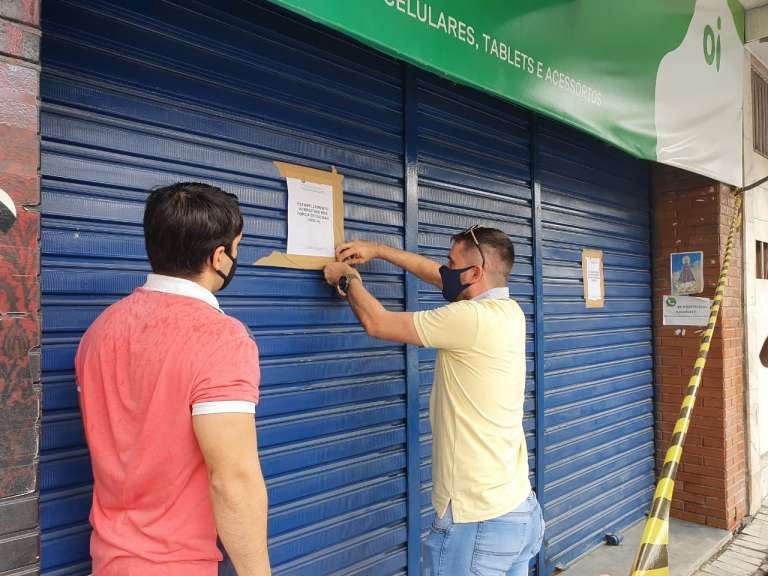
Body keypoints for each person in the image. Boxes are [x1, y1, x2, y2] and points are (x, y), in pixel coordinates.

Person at [323, 225, 544, 576]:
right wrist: (378, 250)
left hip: (477, 522)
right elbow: (441, 277)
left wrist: (348, 279)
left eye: (452, 263)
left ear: (475, 273)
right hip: (519, 511)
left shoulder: (469, 318)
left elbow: (378, 323)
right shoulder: (509, 311)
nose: (445, 270)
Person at [76, 183, 271, 575]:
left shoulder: (100, 330)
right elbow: (233, 480)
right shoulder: (221, 339)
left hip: (108, 560)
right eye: (237, 247)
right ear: (219, 257)